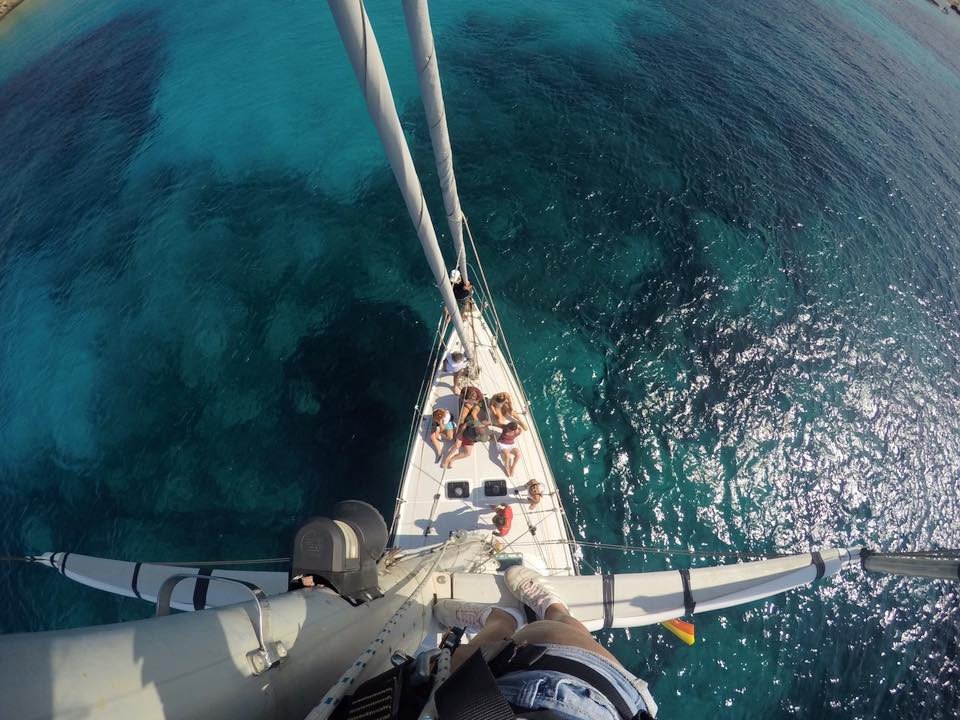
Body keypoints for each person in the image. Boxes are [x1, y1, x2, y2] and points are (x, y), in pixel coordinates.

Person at [433, 567, 658, 719]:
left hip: (484, 707)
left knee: (458, 665)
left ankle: (499, 620)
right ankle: (552, 608)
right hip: (614, 704)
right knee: (562, 629)